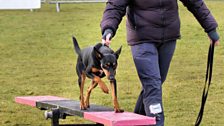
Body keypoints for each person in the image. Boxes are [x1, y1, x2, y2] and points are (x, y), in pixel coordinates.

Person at [100, 0, 220, 125]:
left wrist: (210, 28)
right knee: (152, 84)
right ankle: (157, 122)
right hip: (142, 39)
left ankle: (137, 122)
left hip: (168, 37)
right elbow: (115, 6)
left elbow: (194, 2)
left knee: (155, 83)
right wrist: (108, 28)